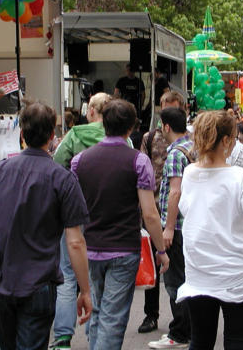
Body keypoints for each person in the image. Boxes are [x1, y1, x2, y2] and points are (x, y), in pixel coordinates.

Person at [0, 100, 92, 350]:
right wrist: (85, 290)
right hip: (40, 284)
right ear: (52, 135)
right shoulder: (63, 178)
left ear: (22, 134)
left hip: (4, 282)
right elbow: (75, 242)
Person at [71, 99, 169, 350]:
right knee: (113, 318)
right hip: (124, 247)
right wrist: (160, 250)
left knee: (96, 310)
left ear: (103, 123)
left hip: (90, 247)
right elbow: (149, 213)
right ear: (131, 127)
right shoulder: (138, 161)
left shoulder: (79, 161)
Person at [176, 110, 243, 349]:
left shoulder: (189, 174)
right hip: (237, 274)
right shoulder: (240, 178)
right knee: (237, 342)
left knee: (201, 341)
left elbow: (186, 209)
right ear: (227, 141)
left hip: (199, 273)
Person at [49, 92, 111, 350]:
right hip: (105, 214)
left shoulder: (74, 135)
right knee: (97, 275)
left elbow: (56, 167)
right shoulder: (120, 138)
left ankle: (63, 338)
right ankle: (94, 335)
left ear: (91, 111)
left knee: (67, 274)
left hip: (73, 212)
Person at [138, 91, 186, 335]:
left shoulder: (185, 141)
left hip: (174, 213)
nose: (166, 108)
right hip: (153, 207)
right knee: (153, 262)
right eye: (164, 105)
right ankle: (151, 315)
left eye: (171, 106)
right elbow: (142, 167)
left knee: (177, 267)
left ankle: (181, 320)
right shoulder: (150, 137)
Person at [148, 107, 194, 349]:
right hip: (189, 224)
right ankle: (189, 329)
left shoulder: (176, 154)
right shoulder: (193, 146)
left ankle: (180, 332)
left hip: (177, 228)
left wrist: (168, 227)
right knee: (187, 278)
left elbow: (174, 190)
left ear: (166, 127)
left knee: (175, 281)